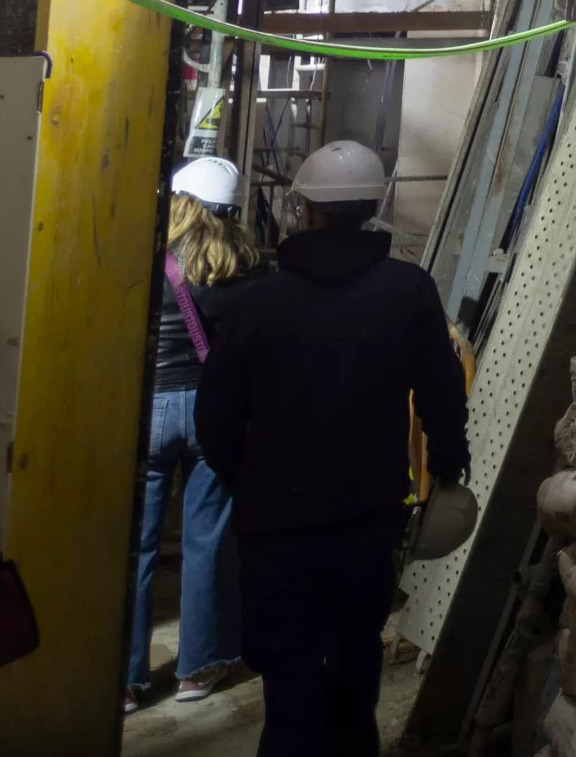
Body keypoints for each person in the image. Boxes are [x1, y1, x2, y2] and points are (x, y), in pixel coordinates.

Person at [197, 140, 471, 756]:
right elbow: (441, 388)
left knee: (290, 682)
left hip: (277, 526)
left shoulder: (259, 302)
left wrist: (248, 479)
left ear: (306, 212)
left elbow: (215, 415)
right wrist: (449, 465)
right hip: (367, 520)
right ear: (371, 208)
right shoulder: (407, 291)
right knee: (354, 678)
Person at [125, 156, 262, 714]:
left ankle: (127, 680)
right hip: (212, 412)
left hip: (149, 410)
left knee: (135, 544)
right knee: (207, 538)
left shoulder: (145, 258)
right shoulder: (241, 269)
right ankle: (198, 668)